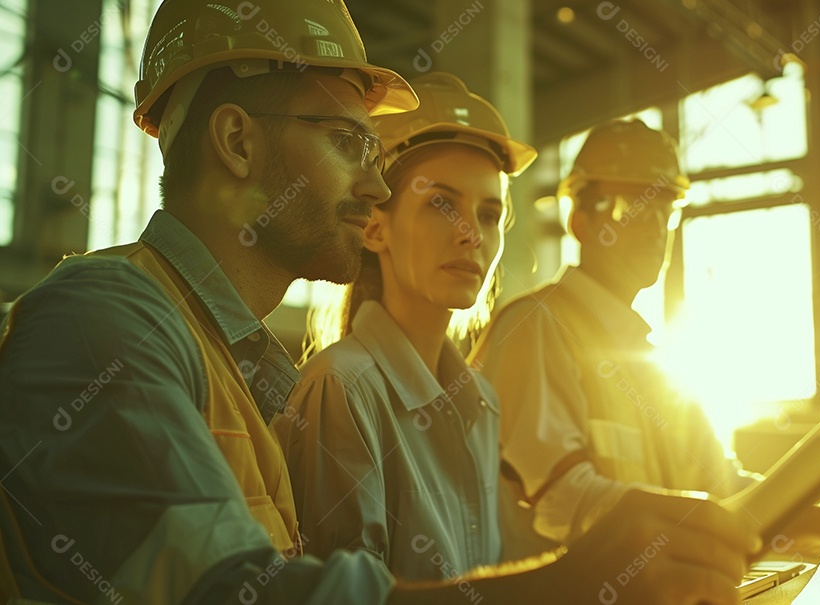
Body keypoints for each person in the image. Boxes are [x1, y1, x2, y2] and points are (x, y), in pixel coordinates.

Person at [0, 3, 759, 604]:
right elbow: (232, 593)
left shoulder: (241, 368)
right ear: (236, 143)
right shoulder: (101, 321)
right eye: (347, 144)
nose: (374, 188)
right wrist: (568, 584)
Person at [472, 118, 820, 554]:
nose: (656, 226)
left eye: (667, 210)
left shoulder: (660, 364)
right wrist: (696, 526)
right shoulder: (539, 328)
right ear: (580, 221)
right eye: (631, 206)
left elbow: (724, 488)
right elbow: (559, 500)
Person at [274, 71, 537, 579]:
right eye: (442, 203)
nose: (471, 235)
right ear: (374, 227)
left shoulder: (480, 401)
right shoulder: (341, 390)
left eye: (488, 214)